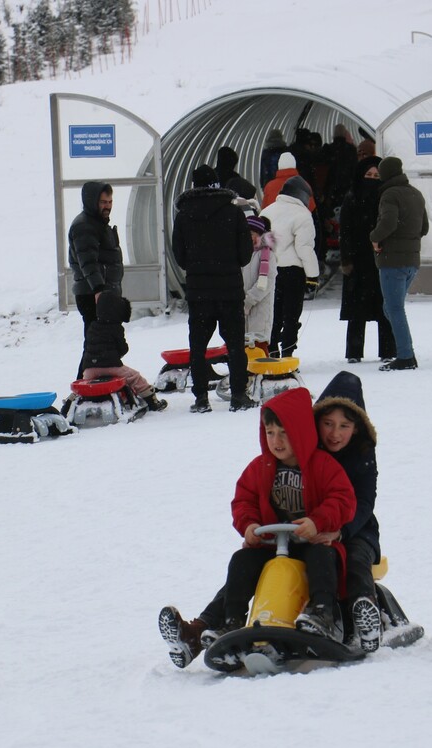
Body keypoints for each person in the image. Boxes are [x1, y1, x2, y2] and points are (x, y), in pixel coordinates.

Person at [156, 387, 357, 667]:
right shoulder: (261, 467)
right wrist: (249, 525)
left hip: (312, 542)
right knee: (243, 561)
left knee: (321, 558)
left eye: (284, 432)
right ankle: (231, 621)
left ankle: (322, 613)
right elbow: (244, 500)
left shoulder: (322, 466)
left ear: (300, 431)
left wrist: (317, 521)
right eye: (270, 432)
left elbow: (343, 499)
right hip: (273, 545)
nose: (276, 440)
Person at [171, 165, 257, 413]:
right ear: (217, 185)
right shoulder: (234, 213)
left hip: (200, 292)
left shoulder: (184, 216)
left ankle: (200, 399)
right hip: (230, 290)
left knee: (198, 346)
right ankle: (239, 395)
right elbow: (244, 255)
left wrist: (198, 266)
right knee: (234, 345)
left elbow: (180, 256)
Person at [312, 371, 385, 651]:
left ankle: (363, 611)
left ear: (356, 428)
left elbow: (365, 501)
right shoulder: (309, 452)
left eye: (344, 426)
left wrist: (342, 531)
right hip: (313, 527)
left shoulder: (362, 454)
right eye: (328, 423)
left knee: (354, 559)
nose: (334, 433)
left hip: (356, 529)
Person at [371, 156, 429, 371]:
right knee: (391, 308)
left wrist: (374, 237)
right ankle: (404, 351)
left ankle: (406, 356)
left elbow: (388, 222)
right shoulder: (416, 194)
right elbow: (424, 228)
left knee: (394, 308)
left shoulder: (390, 194)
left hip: (392, 261)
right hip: (412, 261)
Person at [338, 156, 396, 363]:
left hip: (381, 259)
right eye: (368, 175)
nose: (372, 179)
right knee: (357, 309)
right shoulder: (352, 197)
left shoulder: (386, 198)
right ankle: (354, 352)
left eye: (376, 176)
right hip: (358, 260)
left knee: (384, 306)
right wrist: (346, 259)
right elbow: (344, 232)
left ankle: (388, 350)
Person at [67, 181, 123, 379]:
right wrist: (99, 290)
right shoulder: (84, 226)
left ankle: (96, 384)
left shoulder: (97, 224)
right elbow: (88, 262)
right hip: (93, 295)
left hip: (102, 293)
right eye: (102, 202)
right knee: (95, 347)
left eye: (110, 201)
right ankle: (83, 387)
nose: (107, 205)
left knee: (102, 346)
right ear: (91, 202)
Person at [261, 176, 320, 358]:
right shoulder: (302, 215)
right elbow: (304, 248)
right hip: (293, 272)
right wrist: (313, 276)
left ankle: (271, 351)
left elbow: (261, 245)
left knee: (273, 315)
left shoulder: (267, 211)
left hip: (271, 270)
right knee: (291, 316)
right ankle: (287, 353)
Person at [79, 290, 167, 410]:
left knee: (86, 385)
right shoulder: (116, 328)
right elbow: (122, 348)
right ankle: (152, 401)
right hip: (112, 367)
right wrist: (117, 354)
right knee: (135, 377)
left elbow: (88, 347)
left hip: (89, 369)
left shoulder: (92, 326)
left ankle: (73, 402)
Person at [241, 213, 276, 353]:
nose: (249, 237)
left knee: (258, 345)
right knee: (243, 345)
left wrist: (249, 300)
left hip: (260, 308)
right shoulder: (243, 254)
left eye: (252, 233)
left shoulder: (267, 255)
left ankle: (262, 371)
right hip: (243, 308)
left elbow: (266, 282)